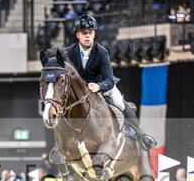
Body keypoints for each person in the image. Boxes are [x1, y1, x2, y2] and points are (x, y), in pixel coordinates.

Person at [65, 14, 156, 150]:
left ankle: (141, 134)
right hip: (80, 92)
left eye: (90, 33)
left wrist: (98, 86)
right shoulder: (68, 52)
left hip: (102, 87)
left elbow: (109, 79)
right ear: (78, 35)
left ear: (94, 34)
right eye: (84, 33)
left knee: (119, 101)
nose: (87, 36)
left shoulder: (102, 52)